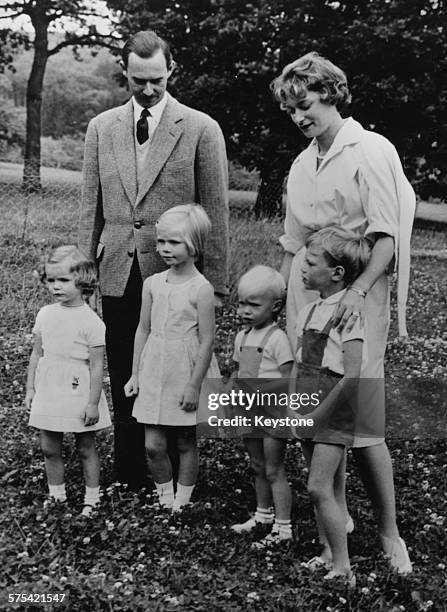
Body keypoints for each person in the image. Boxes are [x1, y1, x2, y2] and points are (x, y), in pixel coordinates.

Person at [271, 51, 414, 574]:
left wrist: (357, 292)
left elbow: (385, 238)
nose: (299, 117)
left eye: (304, 104)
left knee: (362, 416)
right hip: (306, 292)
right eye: (290, 110)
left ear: (330, 93)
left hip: (356, 292)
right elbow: (292, 242)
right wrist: (282, 303)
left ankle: (389, 533)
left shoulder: (369, 149)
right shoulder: (301, 161)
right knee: (312, 408)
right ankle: (339, 527)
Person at [78, 30, 229, 490]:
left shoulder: (201, 127)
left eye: (156, 80)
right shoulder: (101, 128)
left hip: (177, 277)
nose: (147, 89)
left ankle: (179, 469)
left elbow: (216, 213)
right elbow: (91, 206)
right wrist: (86, 273)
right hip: (118, 271)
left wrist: (216, 285)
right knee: (125, 367)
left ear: (171, 72)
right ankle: (130, 471)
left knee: (174, 367)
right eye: (137, 80)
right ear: (125, 72)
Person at [124, 205, 220, 510]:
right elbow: (142, 329)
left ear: (194, 245)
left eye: (174, 242)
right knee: (153, 444)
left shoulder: (201, 289)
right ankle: (164, 499)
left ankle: (182, 501)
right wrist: (135, 373)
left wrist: (194, 386)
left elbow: (207, 341)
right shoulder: (152, 284)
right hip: (155, 367)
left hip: (185, 369)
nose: (165, 248)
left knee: (184, 441)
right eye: (161, 241)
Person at [292, 227, 372, 585]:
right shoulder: (309, 310)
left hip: (333, 408)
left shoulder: (349, 314)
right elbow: (298, 363)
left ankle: (344, 568)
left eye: (310, 263)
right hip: (307, 403)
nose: (302, 269)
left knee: (317, 487)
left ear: (337, 273)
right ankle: (327, 552)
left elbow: (352, 377)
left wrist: (319, 413)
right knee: (331, 489)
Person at [24, 246, 111, 516]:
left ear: (83, 280)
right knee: (49, 445)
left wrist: (93, 403)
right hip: (49, 388)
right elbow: (37, 354)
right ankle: (57, 496)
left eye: (63, 280)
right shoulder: (45, 314)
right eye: (51, 280)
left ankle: (92, 498)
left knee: (85, 447)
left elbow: (97, 366)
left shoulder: (92, 322)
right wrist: (30, 389)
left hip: (78, 389)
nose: (55, 287)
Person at [230, 266, 294, 547]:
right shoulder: (242, 337)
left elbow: (290, 377)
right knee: (257, 465)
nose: (245, 310)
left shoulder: (277, 339)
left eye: (253, 305)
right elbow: (237, 372)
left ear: (275, 306)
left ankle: (283, 527)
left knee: (273, 468)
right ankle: (262, 514)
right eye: (241, 303)